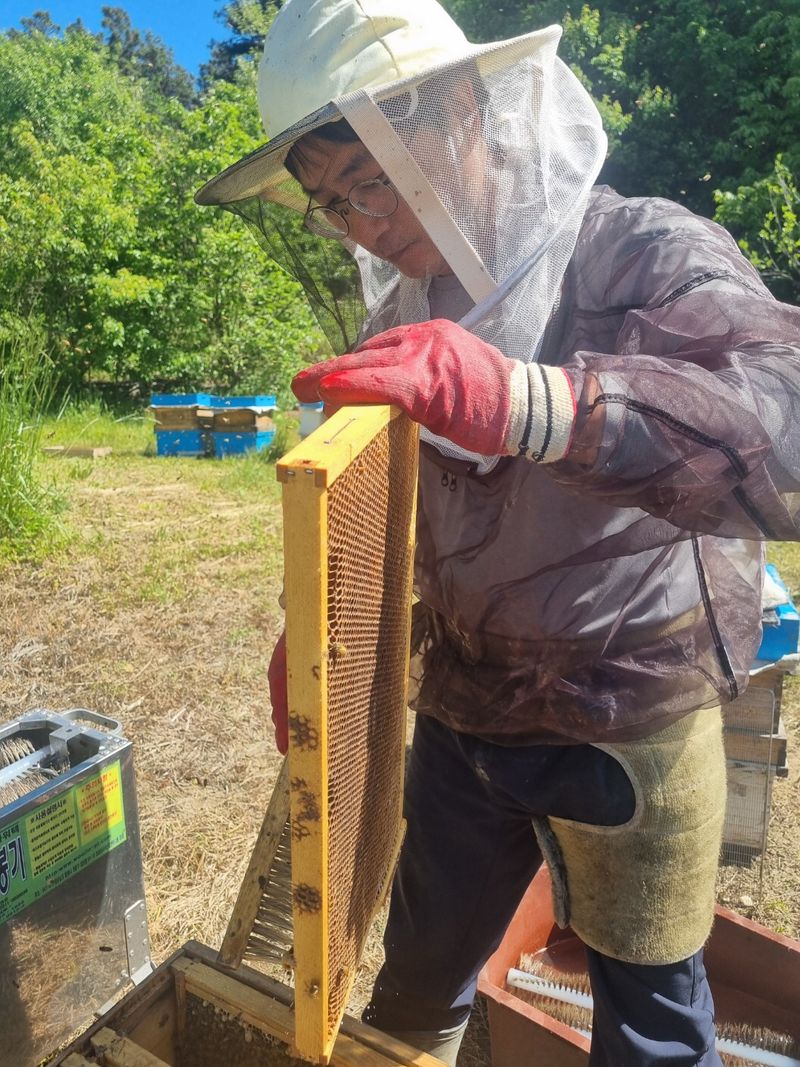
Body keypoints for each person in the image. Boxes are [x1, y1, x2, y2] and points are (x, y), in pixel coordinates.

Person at [196, 1, 800, 1064]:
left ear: (464, 108)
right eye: (330, 203)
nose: (361, 225)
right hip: (464, 700)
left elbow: (783, 434)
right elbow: (404, 511)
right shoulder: (401, 306)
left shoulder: (638, 250)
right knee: (414, 988)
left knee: (651, 1019)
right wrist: (322, 615)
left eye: (371, 179)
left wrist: (540, 403)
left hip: (628, 705)